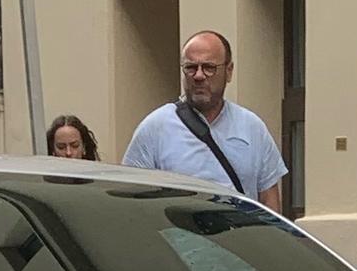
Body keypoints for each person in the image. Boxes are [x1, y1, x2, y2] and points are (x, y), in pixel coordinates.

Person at [120, 31, 286, 210]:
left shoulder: (252, 128)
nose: (199, 76)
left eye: (209, 67)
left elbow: (270, 202)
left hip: (239, 236)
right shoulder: (154, 129)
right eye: (191, 67)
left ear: (228, 71)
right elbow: (131, 200)